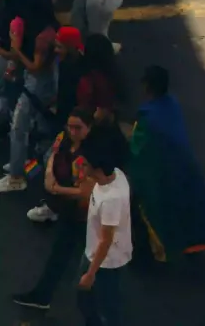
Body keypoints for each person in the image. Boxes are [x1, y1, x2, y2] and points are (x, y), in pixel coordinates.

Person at [129, 65, 205, 263]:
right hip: (185, 167)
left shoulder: (147, 117)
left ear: (147, 87)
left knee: (146, 213)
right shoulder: (172, 104)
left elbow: (138, 150)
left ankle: (146, 258)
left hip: (163, 175)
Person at [12, 108, 96, 311]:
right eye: (70, 126)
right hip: (70, 210)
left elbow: (86, 192)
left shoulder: (92, 155)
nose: (72, 131)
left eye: (78, 128)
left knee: (87, 258)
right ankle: (43, 295)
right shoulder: (64, 139)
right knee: (62, 253)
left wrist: (56, 188)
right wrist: (50, 173)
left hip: (87, 214)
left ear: (89, 128)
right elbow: (54, 154)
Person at [0, 0, 59, 193]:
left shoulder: (42, 37)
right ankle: (19, 160)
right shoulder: (47, 29)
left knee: (18, 127)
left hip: (36, 86)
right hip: (38, 85)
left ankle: (16, 176)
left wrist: (16, 51)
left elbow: (35, 66)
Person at [77, 133, 132, 326]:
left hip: (106, 262)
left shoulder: (111, 200)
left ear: (97, 167)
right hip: (94, 252)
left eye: (84, 164)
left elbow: (105, 240)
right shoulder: (115, 174)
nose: (81, 167)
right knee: (87, 299)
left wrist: (91, 273)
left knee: (108, 306)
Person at [53, 26, 86, 130]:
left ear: (70, 48)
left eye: (60, 47)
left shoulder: (67, 67)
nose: (56, 50)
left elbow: (65, 98)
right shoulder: (81, 60)